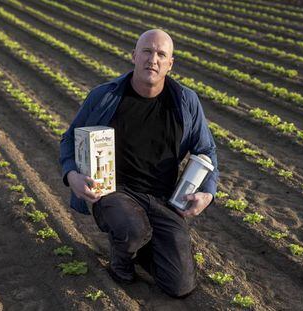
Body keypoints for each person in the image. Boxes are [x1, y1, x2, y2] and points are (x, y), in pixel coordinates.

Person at [59, 29, 219, 298]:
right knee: (132, 229)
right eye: (146, 51)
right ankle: (122, 260)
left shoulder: (185, 101)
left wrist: (208, 193)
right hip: (114, 192)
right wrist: (71, 175)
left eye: (161, 54)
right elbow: (69, 139)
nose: (152, 60)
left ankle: (140, 241)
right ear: (133, 56)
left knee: (180, 286)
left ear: (170, 63)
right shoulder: (105, 96)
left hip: (162, 199)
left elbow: (206, 149)